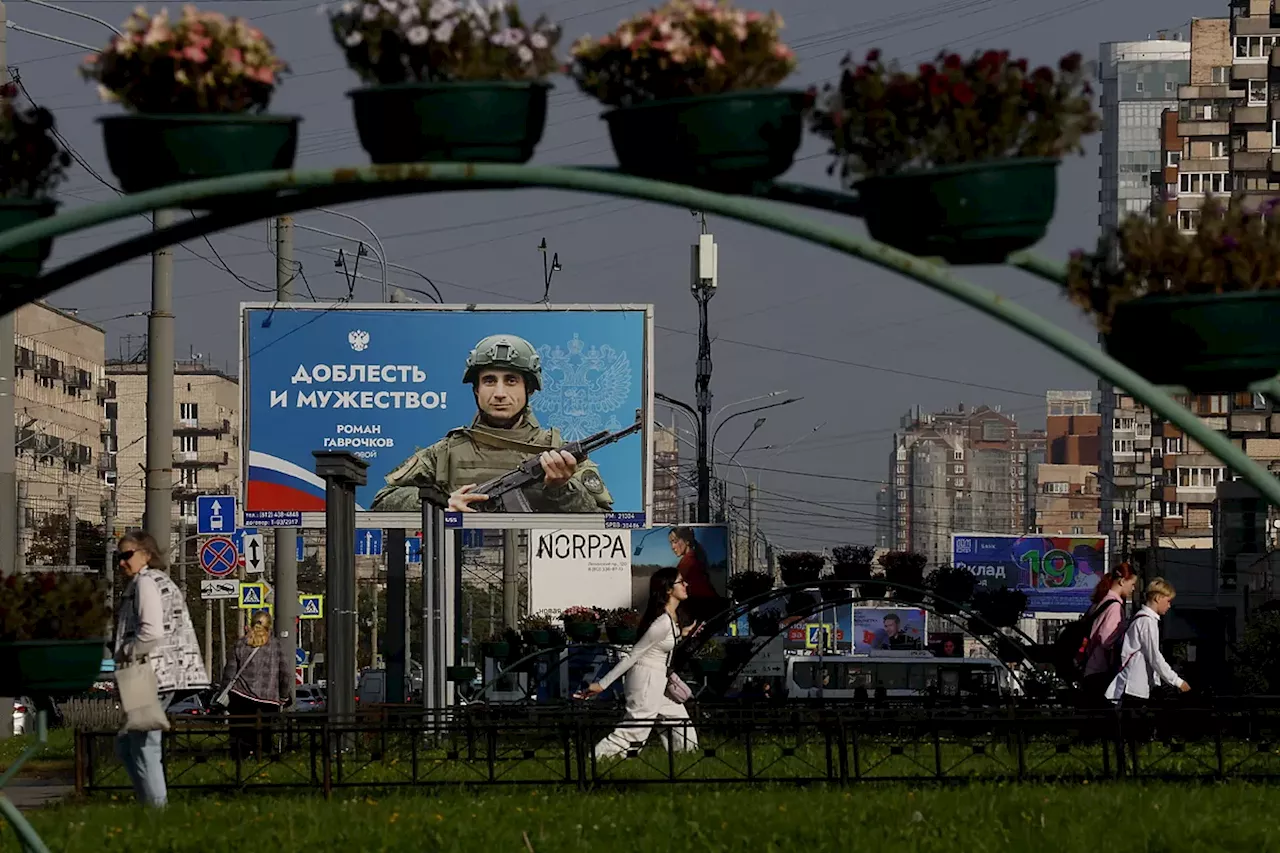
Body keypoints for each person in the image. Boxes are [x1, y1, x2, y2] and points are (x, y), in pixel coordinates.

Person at [369, 333, 615, 513]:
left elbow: (605, 520)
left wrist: (561, 489)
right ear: (475, 389)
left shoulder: (559, 453)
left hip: (544, 573)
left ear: (528, 389)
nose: (499, 392)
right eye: (489, 380)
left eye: (510, 381)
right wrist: (441, 502)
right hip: (461, 570)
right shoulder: (444, 453)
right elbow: (382, 501)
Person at [113, 531, 208, 807]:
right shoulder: (152, 582)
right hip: (161, 672)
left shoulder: (146, 583)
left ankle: (155, 809)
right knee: (129, 745)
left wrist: (126, 652)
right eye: (119, 556)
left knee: (143, 745)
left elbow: (151, 632)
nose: (121, 562)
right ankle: (151, 804)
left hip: (151, 673)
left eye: (126, 555)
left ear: (147, 555)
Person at [576, 568, 700, 759]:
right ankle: (593, 761)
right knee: (635, 730)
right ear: (668, 589)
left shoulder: (671, 620)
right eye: (681, 582)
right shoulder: (662, 623)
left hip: (657, 680)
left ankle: (686, 761)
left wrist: (684, 633)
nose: (686, 585)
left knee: (679, 721)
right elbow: (634, 655)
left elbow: (666, 641)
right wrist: (602, 684)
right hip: (646, 680)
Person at [220, 610, 294, 761]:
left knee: (240, 733)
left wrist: (223, 692)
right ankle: (261, 759)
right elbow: (285, 674)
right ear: (269, 627)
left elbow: (230, 673)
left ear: (251, 625)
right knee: (263, 732)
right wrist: (284, 696)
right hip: (267, 699)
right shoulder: (276, 646)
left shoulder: (240, 644)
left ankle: (240, 762)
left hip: (241, 697)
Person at [1106, 577, 1190, 708]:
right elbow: (1154, 657)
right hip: (1135, 687)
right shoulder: (1147, 622)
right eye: (1168, 601)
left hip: (1136, 686)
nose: (1169, 605)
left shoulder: (1142, 619)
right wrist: (1177, 681)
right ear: (1158, 598)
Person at [1079, 562, 1138, 707]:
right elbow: (1107, 640)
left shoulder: (1101, 601)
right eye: (1132, 583)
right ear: (1123, 581)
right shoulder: (1114, 607)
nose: (1133, 588)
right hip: (1101, 670)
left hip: (1090, 668)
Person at [669, 526, 725, 623]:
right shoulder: (694, 558)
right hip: (708, 607)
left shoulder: (688, 563)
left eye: (675, 541)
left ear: (687, 542)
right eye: (671, 543)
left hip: (700, 608)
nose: (672, 547)